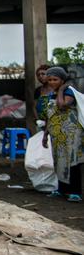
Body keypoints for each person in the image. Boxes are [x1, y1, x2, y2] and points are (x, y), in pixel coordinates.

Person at [39, 67, 83, 202]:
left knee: (72, 161)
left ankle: (75, 192)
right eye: (50, 79)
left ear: (62, 80)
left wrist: (62, 89)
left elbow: (62, 105)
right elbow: (50, 117)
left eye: (55, 79)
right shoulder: (51, 95)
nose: (52, 82)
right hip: (57, 134)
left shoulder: (69, 92)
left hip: (71, 133)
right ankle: (62, 189)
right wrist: (45, 135)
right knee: (59, 160)